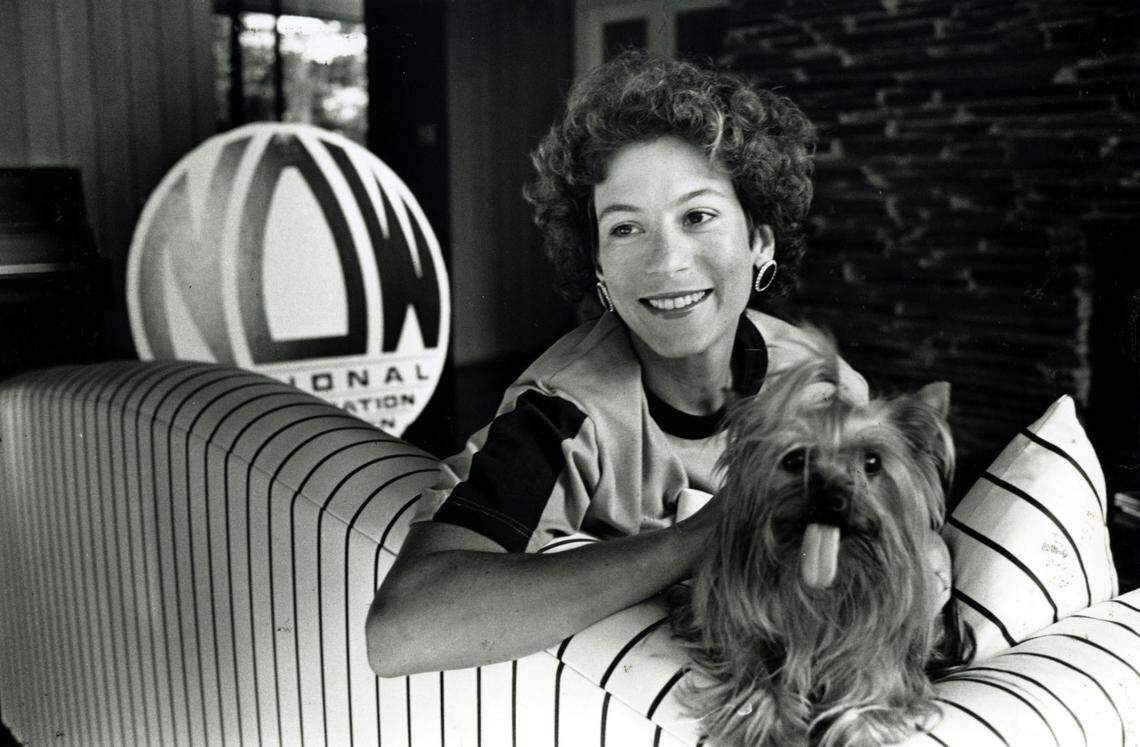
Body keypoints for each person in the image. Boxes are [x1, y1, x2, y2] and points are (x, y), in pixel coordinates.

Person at [366, 51, 875, 678]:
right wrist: (703, 536)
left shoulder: (821, 383)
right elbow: (405, 630)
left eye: (698, 216)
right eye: (626, 229)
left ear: (759, 240)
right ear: (599, 267)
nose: (666, 262)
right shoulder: (562, 407)